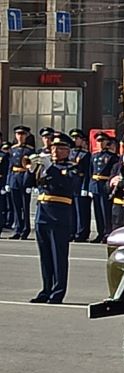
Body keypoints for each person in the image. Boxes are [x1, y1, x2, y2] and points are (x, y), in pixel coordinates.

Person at [30, 133, 79, 304]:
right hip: (42, 213)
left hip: (59, 215)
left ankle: (57, 292)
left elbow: (68, 186)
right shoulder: (46, 166)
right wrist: (32, 171)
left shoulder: (72, 168)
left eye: (60, 148)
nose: (55, 151)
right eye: (53, 148)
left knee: (58, 256)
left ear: (68, 151)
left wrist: (50, 168)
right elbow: (31, 185)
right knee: (45, 256)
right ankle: (46, 289)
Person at [89, 131, 121, 242]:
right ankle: (100, 232)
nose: (100, 143)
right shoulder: (94, 156)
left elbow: (114, 172)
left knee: (105, 211)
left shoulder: (112, 157)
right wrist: (89, 187)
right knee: (97, 212)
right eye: (98, 141)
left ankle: (107, 233)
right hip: (95, 185)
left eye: (103, 140)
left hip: (105, 185)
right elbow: (91, 172)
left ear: (107, 142)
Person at [8, 125, 36, 239]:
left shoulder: (30, 150)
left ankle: (26, 229)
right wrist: (8, 182)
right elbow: (10, 166)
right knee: (16, 206)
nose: (20, 137)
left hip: (24, 179)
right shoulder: (13, 149)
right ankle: (17, 229)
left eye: (22, 135)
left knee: (25, 206)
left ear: (26, 136)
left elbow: (32, 168)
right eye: (18, 134)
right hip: (14, 178)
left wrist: (31, 183)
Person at [68, 128, 92, 243]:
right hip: (71, 183)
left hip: (81, 182)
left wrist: (85, 187)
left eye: (77, 138)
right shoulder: (70, 152)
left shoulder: (86, 154)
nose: (74, 140)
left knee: (81, 210)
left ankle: (82, 232)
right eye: (73, 138)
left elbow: (88, 172)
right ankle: (72, 231)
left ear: (82, 140)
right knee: (71, 210)